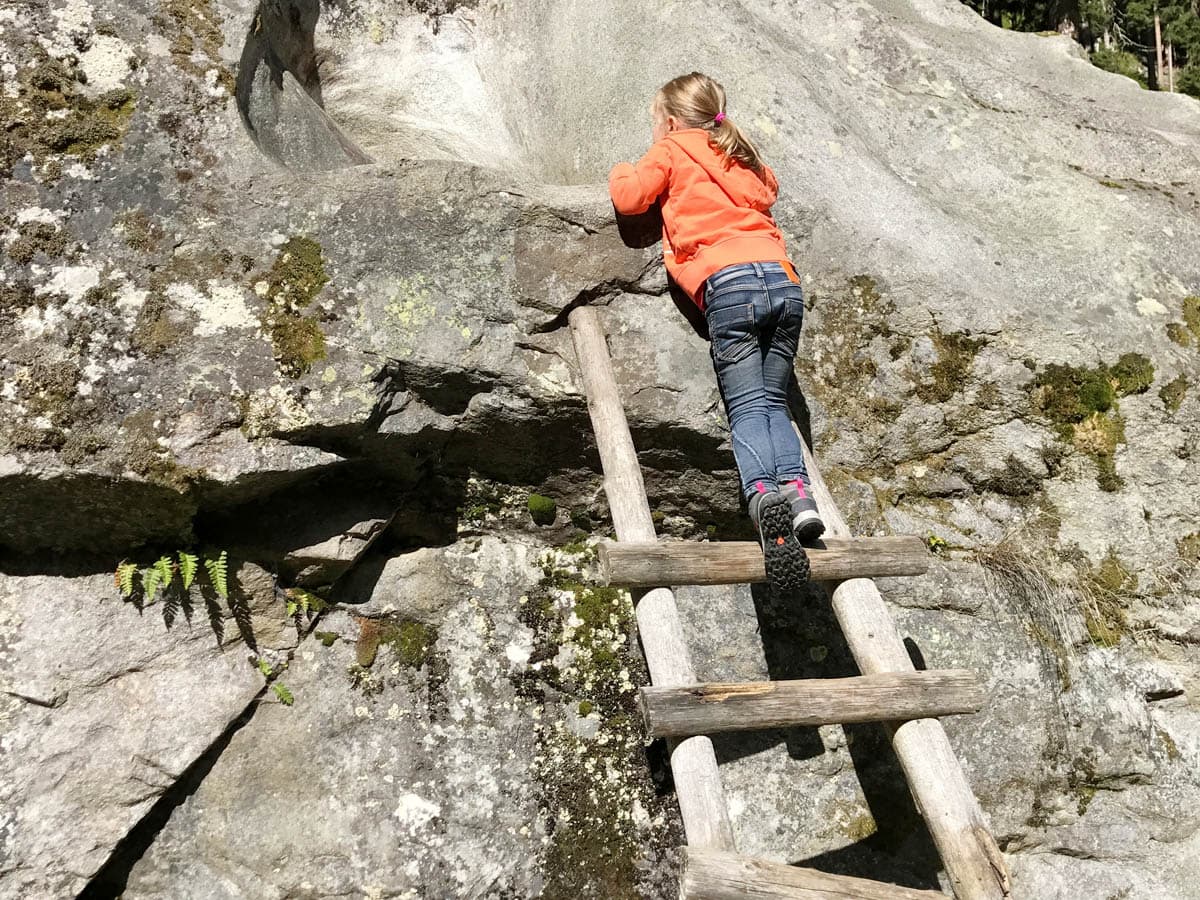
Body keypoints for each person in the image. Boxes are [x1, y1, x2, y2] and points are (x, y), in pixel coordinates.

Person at [608, 71, 823, 593]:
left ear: (672, 121)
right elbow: (769, 187)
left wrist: (620, 165)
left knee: (747, 406)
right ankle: (799, 496)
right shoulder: (739, 154)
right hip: (782, 281)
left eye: (657, 122)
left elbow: (632, 197)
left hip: (728, 286)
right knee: (774, 401)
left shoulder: (671, 149)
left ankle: (763, 500)